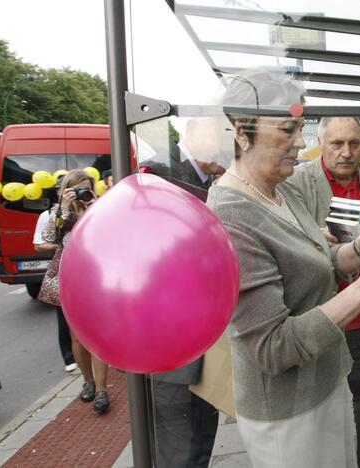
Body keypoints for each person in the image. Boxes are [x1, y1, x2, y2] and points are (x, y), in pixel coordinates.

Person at [207, 68, 360, 468]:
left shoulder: (279, 190)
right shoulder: (230, 215)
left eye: (302, 128)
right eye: (288, 130)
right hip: (290, 412)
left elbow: (320, 262)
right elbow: (273, 348)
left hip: (327, 383)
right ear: (242, 131)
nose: (301, 143)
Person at [286, 116, 360, 467]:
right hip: (320, 315)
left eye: (354, 143)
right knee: (321, 408)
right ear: (320, 143)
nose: (347, 152)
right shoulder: (295, 184)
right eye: (337, 144)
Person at [147, 117, 230, 468]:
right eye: (222, 134)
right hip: (173, 344)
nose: (228, 146)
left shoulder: (206, 178)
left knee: (199, 439)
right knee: (180, 448)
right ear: (194, 128)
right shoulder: (161, 174)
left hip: (200, 338)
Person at [38, 169, 111, 414]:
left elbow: (109, 233)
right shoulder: (59, 213)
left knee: (97, 336)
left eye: (85, 187)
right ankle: (88, 382)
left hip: (95, 278)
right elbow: (50, 237)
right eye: (76, 188)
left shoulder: (100, 207)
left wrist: (93, 205)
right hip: (69, 279)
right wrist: (65, 208)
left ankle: (102, 390)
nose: (81, 192)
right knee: (77, 338)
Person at [32, 203, 76, 373]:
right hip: (64, 269)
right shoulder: (52, 214)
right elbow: (39, 244)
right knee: (64, 315)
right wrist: (65, 245)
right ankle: (69, 357)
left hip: (89, 268)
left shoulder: (94, 207)